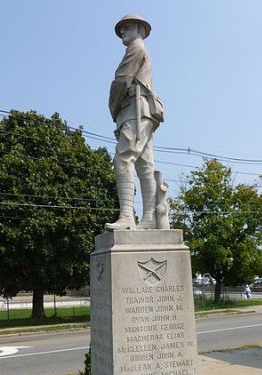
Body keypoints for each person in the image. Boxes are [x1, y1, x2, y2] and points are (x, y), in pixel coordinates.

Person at [105, 14, 164, 231]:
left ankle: (127, 217)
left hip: (135, 109)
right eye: (121, 28)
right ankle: (150, 218)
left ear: (139, 28)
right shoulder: (138, 49)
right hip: (139, 111)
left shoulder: (136, 48)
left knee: (123, 160)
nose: (123, 31)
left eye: (127, 27)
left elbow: (121, 81)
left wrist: (113, 109)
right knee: (144, 165)